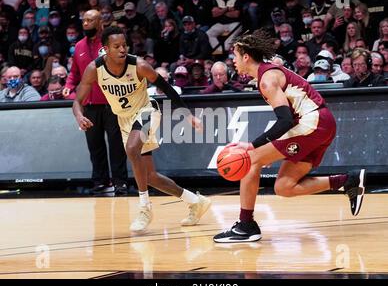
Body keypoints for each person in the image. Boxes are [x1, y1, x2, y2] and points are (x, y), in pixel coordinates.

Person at [213, 30, 366, 243]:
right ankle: (347, 181)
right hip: (321, 124)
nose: (234, 62)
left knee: (250, 159)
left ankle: (246, 224)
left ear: (246, 56)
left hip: (313, 123)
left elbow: (284, 121)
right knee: (284, 186)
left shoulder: (267, 79)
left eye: (235, 57)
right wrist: (270, 149)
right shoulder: (268, 74)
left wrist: (254, 145)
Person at [73, 26, 211, 233]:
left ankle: (145, 208)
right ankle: (195, 201)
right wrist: (79, 115)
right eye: (116, 46)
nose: (122, 49)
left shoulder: (139, 65)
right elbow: (78, 100)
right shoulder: (95, 69)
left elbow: (167, 88)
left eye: (124, 45)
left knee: (131, 148)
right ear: (106, 49)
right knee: (150, 176)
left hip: (148, 111)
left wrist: (187, 114)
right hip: (124, 119)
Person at [64, 9, 129, 196]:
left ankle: (120, 182)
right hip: (89, 104)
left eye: (90, 20)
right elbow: (75, 72)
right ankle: (100, 181)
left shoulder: (111, 44)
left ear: (100, 22)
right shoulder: (78, 46)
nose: (85, 23)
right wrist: (69, 85)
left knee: (116, 145)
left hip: (112, 103)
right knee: (95, 144)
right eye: (84, 20)